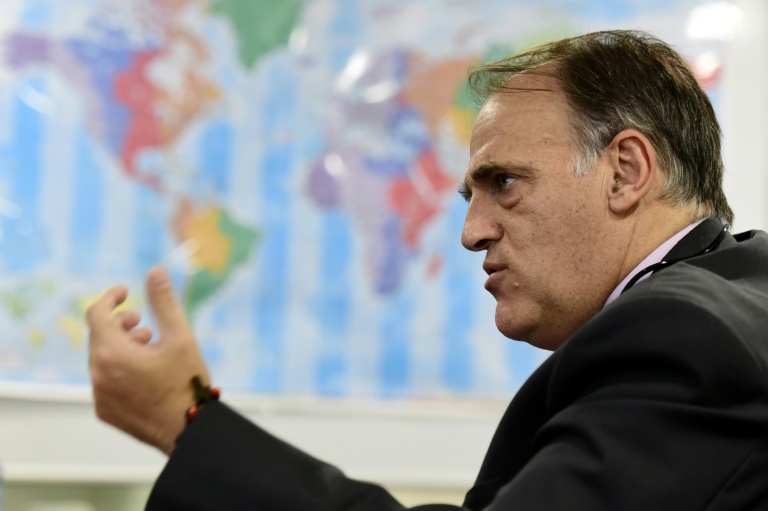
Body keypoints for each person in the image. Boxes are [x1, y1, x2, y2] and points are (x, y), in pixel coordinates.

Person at [86, 30, 768, 510]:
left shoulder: (682, 336)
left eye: (504, 182)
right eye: (470, 196)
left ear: (625, 171)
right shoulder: (740, 288)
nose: (472, 232)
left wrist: (185, 420)